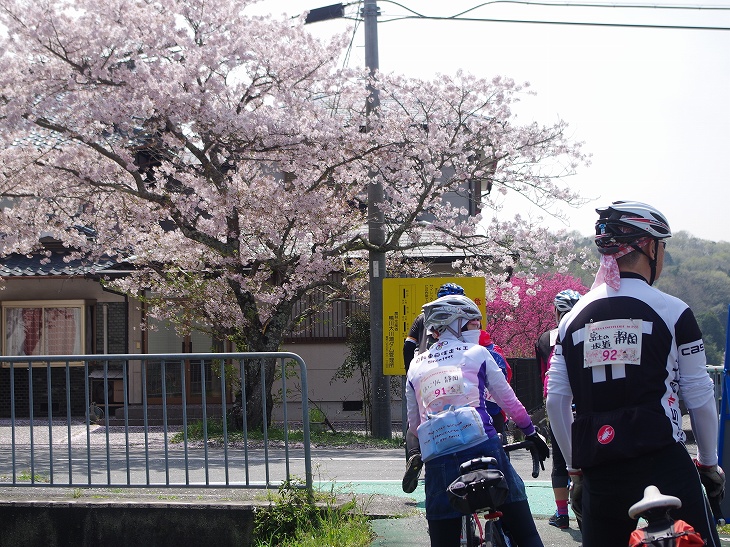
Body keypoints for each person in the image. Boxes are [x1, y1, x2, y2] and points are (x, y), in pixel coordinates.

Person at [545, 201, 724, 547]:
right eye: (663, 248)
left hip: (600, 462)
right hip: (663, 457)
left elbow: (555, 400)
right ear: (649, 247)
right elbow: (699, 395)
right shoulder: (674, 310)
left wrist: (575, 470)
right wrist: (709, 464)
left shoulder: (571, 318)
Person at [406, 294, 549, 546]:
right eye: (473, 323)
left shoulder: (416, 366)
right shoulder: (477, 353)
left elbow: (415, 426)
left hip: (438, 456)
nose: (477, 329)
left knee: (442, 539)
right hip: (483, 447)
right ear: (455, 323)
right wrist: (529, 431)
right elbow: (509, 401)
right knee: (524, 531)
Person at [402, 282, 466, 493]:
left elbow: (408, 346)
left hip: (425, 374)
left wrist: (410, 373)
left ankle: (414, 454)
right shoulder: (464, 318)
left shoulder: (423, 317)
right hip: (459, 375)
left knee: (418, 421)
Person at [536, 289, 582, 530]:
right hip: (585, 404)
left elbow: (543, 372)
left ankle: (562, 513)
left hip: (556, 402)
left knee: (560, 460)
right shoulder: (587, 332)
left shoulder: (545, 339)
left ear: (556, 311)